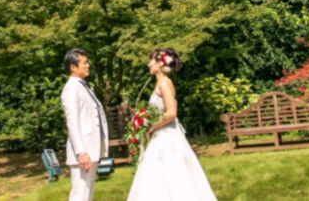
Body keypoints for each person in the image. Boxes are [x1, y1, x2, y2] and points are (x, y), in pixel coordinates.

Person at [127, 48, 217, 201]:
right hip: (161, 134)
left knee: (171, 175)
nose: (149, 64)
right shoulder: (160, 83)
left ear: (160, 64)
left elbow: (171, 113)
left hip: (167, 136)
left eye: (151, 61)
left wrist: (151, 127)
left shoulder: (164, 83)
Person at [61, 48, 109, 201]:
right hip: (83, 153)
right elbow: (72, 123)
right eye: (84, 63)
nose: (88, 65)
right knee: (80, 195)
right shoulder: (71, 89)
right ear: (73, 67)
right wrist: (81, 152)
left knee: (87, 195)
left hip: (90, 150)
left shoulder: (82, 86)